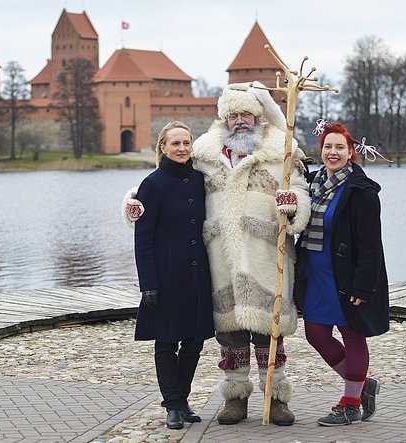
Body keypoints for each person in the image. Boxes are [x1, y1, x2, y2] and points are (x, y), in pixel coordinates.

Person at [126, 83, 311, 426]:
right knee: (230, 334)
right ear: (224, 118)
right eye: (234, 115)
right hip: (220, 260)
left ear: (258, 116)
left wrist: (293, 205)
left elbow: (299, 191)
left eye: (247, 114)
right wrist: (133, 202)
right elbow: (163, 182)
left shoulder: (281, 152)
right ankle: (236, 398)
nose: (241, 121)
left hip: (265, 256)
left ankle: (276, 397)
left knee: (269, 334)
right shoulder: (206, 153)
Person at [293, 122, 390, 426]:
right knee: (316, 334)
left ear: (351, 152)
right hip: (314, 273)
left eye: (339, 148)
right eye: (327, 147)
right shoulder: (310, 184)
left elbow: (372, 245)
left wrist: (364, 286)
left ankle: (350, 404)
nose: (332, 153)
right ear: (320, 151)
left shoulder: (361, 191)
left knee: (352, 335)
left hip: (344, 276)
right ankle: (362, 385)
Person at [132, 121, 215, 430]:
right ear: (163, 148)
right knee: (167, 342)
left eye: (186, 143)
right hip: (166, 277)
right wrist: (148, 284)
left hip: (197, 275)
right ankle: (173, 405)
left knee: (194, 341)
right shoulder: (151, 185)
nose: (182, 148)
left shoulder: (199, 180)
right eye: (175, 143)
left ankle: (182, 399)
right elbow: (143, 239)